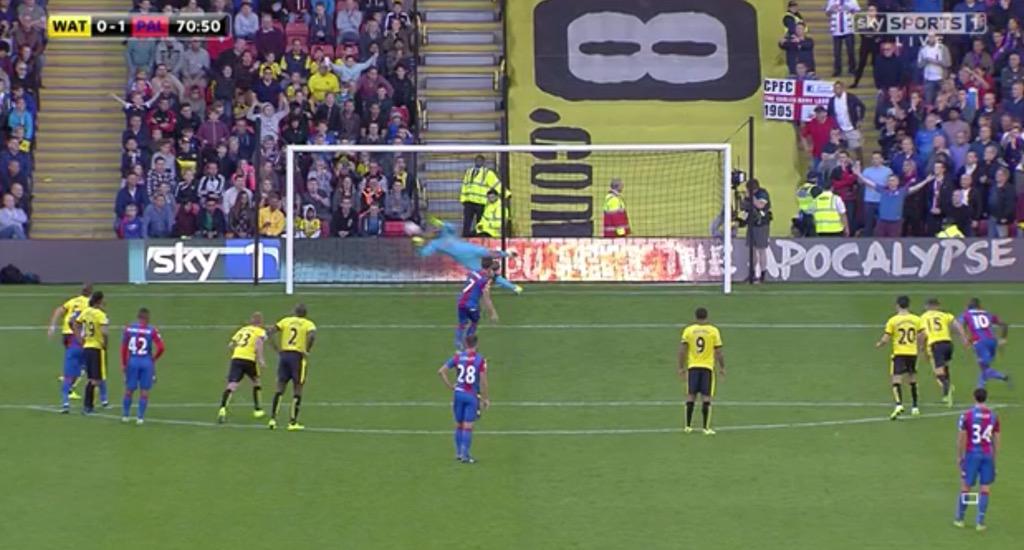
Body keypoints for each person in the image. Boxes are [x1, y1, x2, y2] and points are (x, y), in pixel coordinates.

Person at [414, 219, 522, 295]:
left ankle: (508, 254)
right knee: (489, 274)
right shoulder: (435, 243)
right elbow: (424, 254)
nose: (434, 230)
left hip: (472, 249)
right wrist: (418, 245)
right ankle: (514, 288)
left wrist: (442, 224)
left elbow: (453, 227)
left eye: (435, 228)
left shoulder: (446, 232)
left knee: (491, 253)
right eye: (432, 229)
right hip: (467, 259)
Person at [438, 334, 490, 464]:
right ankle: (465, 455)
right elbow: (483, 381)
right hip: (471, 395)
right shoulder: (480, 360)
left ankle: (458, 454)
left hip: (458, 394)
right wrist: (485, 398)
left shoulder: (457, 357)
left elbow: (441, 371)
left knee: (459, 425)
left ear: (466, 344)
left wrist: (450, 386)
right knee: (467, 426)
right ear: (476, 344)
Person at [954, 388, 1000, 531]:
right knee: (985, 488)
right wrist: (994, 459)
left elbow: (961, 438)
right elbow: (997, 441)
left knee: (966, 487)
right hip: (987, 455)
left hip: (972, 455)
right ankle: (980, 522)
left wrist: (959, 456)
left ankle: (960, 518)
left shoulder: (967, 416)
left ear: (974, 397)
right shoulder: (993, 416)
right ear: (986, 398)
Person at [266, 304, 317, 431]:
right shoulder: (308, 323)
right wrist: (307, 350)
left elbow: (269, 332)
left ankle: (272, 419)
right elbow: (312, 335)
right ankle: (292, 422)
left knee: (280, 386)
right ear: (305, 314)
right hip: (297, 356)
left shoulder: (285, 321)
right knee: (298, 387)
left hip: (284, 355)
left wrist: (276, 348)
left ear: (294, 312)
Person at [678, 307, 725, 435]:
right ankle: (706, 428)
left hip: (693, 366)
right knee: (706, 397)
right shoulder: (713, 331)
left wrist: (681, 367)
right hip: (707, 368)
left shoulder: (689, 330)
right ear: (707, 316)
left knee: (691, 396)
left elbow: (682, 350)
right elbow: (719, 351)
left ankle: (687, 426)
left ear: (695, 317)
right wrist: (722, 367)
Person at [876, 295, 924, 421]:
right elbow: (922, 335)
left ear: (897, 305)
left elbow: (886, 338)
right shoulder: (916, 319)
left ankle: (899, 404)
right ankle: (915, 407)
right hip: (912, 353)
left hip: (899, 353)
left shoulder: (893, 320)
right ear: (909, 305)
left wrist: (880, 344)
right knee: (912, 378)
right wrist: (919, 348)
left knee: (896, 379)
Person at [217, 312, 268, 423]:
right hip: (249, 359)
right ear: (260, 322)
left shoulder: (243, 330)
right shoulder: (260, 331)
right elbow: (258, 343)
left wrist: (236, 353)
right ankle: (257, 410)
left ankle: (222, 409)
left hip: (237, 358)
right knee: (256, 382)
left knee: (232, 385)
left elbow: (231, 345)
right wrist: (261, 359)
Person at [48, 284, 92, 407]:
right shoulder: (89, 303)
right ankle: (70, 386)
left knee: (74, 360)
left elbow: (59, 310)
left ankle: (69, 381)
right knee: (84, 363)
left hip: (66, 334)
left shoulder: (73, 301)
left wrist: (52, 326)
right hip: (77, 334)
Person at [120, 308, 165, 425]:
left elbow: (124, 348)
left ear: (138, 317)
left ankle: (125, 415)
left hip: (133, 361)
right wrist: (154, 359)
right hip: (146, 362)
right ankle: (140, 417)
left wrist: (124, 363)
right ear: (147, 318)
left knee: (129, 389)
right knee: (144, 390)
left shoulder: (129, 328)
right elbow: (161, 347)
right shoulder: (151, 330)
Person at [956, 298, 1011, 389]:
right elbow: (1004, 324)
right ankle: (982, 387)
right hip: (992, 342)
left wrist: (965, 338)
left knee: (985, 368)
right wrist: (1003, 339)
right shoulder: (987, 313)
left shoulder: (966, 314)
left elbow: (958, 324)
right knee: (984, 366)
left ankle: (1002, 378)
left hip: (980, 342)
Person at [921, 298, 962, 407]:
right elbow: (957, 325)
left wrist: (922, 349)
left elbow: (922, 335)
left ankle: (947, 387)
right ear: (938, 306)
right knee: (945, 367)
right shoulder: (945, 315)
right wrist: (963, 338)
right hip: (948, 343)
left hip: (935, 344)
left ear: (927, 306)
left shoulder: (924, 317)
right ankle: (946, 395)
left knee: (938, 372)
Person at [74, 292, 109, 415]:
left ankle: (89, 405)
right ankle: (88, 406)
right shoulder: (101, 315)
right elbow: (104, 332)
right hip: (96, 348)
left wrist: (79, 338)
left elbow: (75, 322)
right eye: (103, 300)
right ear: (98, 301)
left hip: (87, 347)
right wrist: (105, 344)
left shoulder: (86, 312)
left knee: (92, 378)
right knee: (95, 380)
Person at [455, 257, 501, 351]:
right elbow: (486, 298)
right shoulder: (485, 279)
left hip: (461, 302)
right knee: (474, 322)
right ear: (490, 267)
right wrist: (493, 313)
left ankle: (458, 342)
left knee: (462, 323)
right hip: (471, 305)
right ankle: (469, 343)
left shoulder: (473, 272)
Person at [459, 155, 499, 237]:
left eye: (480, 161)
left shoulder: (487, 173)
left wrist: (507, 194)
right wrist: (463, 199)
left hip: (480, 203)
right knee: (466, 222)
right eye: (477, 160)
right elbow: (464, 186)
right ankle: (465, 239)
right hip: (469, 202)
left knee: (480, 223)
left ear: (484, 162)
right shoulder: (469, 172)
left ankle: (479, 239)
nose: (478, 162)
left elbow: (496, 184)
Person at [740, 179, 771, 283]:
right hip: (752, 224)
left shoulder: (762, 194)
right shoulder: (748, 197)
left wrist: (751, 197)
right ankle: (752, 273)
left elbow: (760, 205)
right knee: (752, 250)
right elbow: (744, 209)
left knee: (761, 250)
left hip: (761, 225)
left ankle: (763, 274)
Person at [825, 0, 859, 77]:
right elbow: (827, 13)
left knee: (850, 51)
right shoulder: (832, 1)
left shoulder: (852, 1)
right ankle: (837, 70)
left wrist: (849, 9)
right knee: (837, 52)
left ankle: (852, 69)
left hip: (849, 29)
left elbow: (857, 12)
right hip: (836, 30)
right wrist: (832, 9)